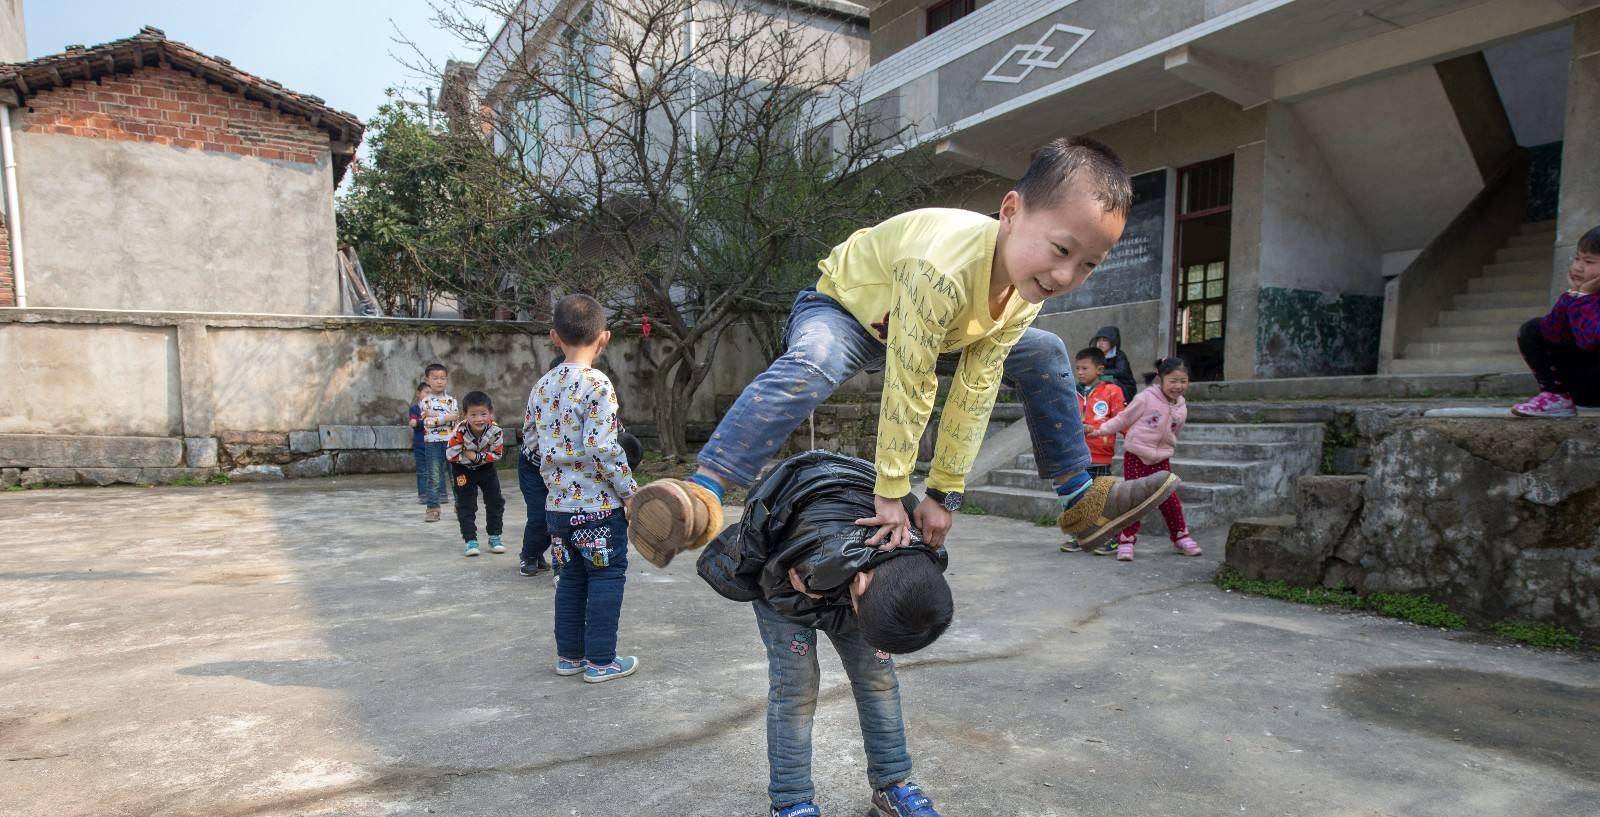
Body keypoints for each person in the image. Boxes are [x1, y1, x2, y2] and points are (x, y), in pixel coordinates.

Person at [628, 137, 1178, 567]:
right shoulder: (940, 265)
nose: (1065, 275)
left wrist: (945, 493)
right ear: (1010, 210)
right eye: (1061, 249)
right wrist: (892, 492)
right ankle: (701, 491)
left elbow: (976, 386)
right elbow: (912, 382)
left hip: (935, 336)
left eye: (1088, 265)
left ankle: (1081, 499)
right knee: (816, 360)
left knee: (1046, 351)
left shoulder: (1026, 289)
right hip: (846, 313)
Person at [697, 450, 952, 817]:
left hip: (849, 580)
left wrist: (838, 597)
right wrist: (810, 593)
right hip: (782, 590)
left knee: (878, 678)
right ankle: (791, 800)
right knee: (795, 687)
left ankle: (892, 785)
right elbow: (764, 580)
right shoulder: (814, 560)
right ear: (861, 584)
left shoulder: (922, 551)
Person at [532, 294, 641, 682]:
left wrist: (553, 478)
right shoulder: (598, 384)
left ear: (553, 337)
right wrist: (629, 491)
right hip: (597, 509)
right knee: (606, 576)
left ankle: (570, 657)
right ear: (604, 338)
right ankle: (601, 661)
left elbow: (530, 440)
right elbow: (601, 446)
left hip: (558, 510)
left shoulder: (542, 385)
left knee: (571, 579)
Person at [1090, 357, 1200, 561]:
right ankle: (1126, 540)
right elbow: (1124, 419)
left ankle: (1180, 536)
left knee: (1169, 498)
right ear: (1160, 379)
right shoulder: (1145, 398)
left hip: (1161, 460)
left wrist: (1169, 446)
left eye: (1183, 381)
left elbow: (1176, 431)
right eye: (1173, 381)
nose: (1178, 386)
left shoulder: (1182, 406)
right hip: (1136, 456)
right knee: (1135, 499)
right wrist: (1100, 431)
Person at [1512, 225, 1600, 417]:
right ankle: (1557, 397)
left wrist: (1584, 297)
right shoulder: (1583, 296)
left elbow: (1590, 341)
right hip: (1587, 387)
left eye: (1588, 261)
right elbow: (1552, 332)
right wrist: (1574, 296)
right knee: (1533, 329)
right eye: (1577, 258)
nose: (1578, 267)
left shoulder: (1587, 297)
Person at [1061, 347, 1127, 553]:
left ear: (1099, 369)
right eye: (1077, 368)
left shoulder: (1112, 391)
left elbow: (1121, 420)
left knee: (1101, 499)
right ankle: (1080, 536)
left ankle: (1110, 538)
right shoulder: (1072, 392)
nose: (1079, 372)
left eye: (1084, 368)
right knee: (1077, 499)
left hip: (1100, 455)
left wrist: (1131, 438)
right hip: (1075, 456)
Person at [446, 391, 506, 557]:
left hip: (486, 469)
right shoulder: (459, 431)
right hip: (462, 470)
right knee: (466, 504)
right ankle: (470, 540)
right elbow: (451, 454)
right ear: (465, 415)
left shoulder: (496, 431)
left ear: (491, 413)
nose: (479, 419)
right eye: (473, 414)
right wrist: (476, 456)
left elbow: (498, 454)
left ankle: (495, 536)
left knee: (495, 501)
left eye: (483, 414)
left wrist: (474, 455)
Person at [419, 363, 460, 522]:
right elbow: (428, 423)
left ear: (447, 380)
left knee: (456, 476)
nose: (439, 381)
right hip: (432, 444)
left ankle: (460, 506)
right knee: (434, 477)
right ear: (427, 379)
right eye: (435, 378)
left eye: (442, 378)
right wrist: (444, 417)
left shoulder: (451, 401)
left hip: (451, 443)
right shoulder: (425, 402)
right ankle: (433, 509)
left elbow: (454, 420)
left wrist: (436, 416)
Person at [1091, 326, 1136, 403]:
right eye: (1099, 340)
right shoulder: (1096, 356)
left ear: (1112, 342)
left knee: (1107, 380)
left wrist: (1102, 372)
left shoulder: (1119, 355)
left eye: (1104, 340)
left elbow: (1121, 371)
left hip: (1124, 387)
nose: (1100, 343)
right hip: (1104, 383)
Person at [407, 382, 430, 505]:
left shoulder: (435, 408)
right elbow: (412, 423)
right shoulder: (414, 409)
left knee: (437, 470)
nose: (428, 395)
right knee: (422, 470)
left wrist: (419, 422)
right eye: (426, 392)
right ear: (418, 393)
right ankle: (423, 495)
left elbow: (418, 423)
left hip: (433, 443)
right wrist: (427, 421)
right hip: (420, 444)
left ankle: (441, 494)